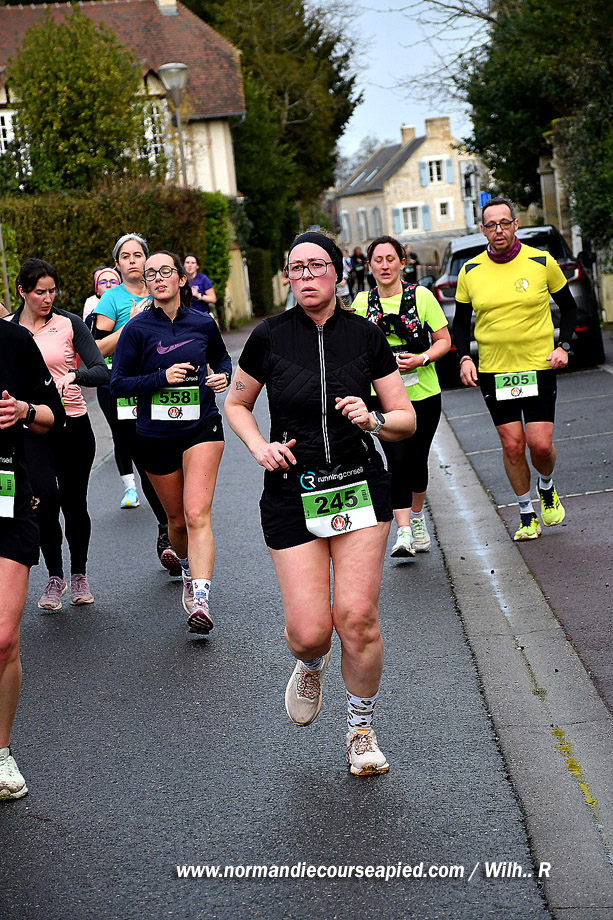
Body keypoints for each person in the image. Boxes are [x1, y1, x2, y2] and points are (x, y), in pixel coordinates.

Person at [224, 230, 415, 775]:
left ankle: (360, 728)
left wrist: (373, 419)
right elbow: (236, 404)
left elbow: (405, 418)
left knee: (357, 618)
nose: (306, 275)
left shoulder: (366, 336)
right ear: (288, 276)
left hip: (359, 484)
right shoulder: (268, 336)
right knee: (311, 632)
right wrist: (260, 447)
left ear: (336, 271)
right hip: (293, 491)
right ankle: (311, 663)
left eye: (316, 265)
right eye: (296, 268)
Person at [111, 251, 231, 634]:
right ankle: (186, 571)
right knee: (177, 521)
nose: (158, 278)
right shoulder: (136, 330)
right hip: (155, 435)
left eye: (166, 271)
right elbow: (118, 384)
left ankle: (202, 599)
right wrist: (161, 378)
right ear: (146, 284)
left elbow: (222, 360)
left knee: (197, 514)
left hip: (202, 426)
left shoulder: (203, 322)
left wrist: (222, 377)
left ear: (181, 279)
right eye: (151, 274)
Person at [452, 197, 578, 541]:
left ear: (515, 225)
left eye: (504, 223)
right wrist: (464, 358)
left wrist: (564, 346)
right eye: (491, 225)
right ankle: (526, 514)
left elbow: (569, 308)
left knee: (540, 445)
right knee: (512, 445)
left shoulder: (541, 261)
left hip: (537, 365)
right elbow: (460, 323)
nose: (499, 230)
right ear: (483, 230)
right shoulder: (470, 271)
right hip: (495, 371)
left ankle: (546, 486)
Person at [9, 259, 109, 610]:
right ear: (22, 291)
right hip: (31, 428)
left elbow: (101, 371)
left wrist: (74, 376)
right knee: (44, 500)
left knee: (74, 503)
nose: (48, 298)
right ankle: (55, 577)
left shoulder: (69, 323)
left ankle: (79, 574)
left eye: (52, 291)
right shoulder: (10, 330)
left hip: (73, 426)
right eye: (40, 292)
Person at [353, 236, 451, 557]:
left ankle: (417, 519)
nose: (385, 266)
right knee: (396, 460)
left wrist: (421, 359)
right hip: (380, 397)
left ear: (402, 263)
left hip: (423, 393)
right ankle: (404, 532)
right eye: (378, 260)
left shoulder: (421, 296)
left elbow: (444, 340)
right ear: (369, 266)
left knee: (417, 459)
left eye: (390, 259)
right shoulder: (361, 303)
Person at [0, 318, 65, 798]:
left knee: (4, 638)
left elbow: (52, 417)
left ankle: (1, 752)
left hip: (6, 499)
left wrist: (23, 409)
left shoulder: (13, 341)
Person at [92, 232, 180, 575]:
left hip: (164, 383)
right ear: (117, 264)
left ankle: (180, 523)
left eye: (138, 255)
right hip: (124, 388)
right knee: (146, 459)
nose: (133, 261)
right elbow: (96, 350)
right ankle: (166, 529)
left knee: (174, 453)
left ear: (147, 259)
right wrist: (131, 324)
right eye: (125, 256)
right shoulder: (111, 299)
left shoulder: (162, 290)